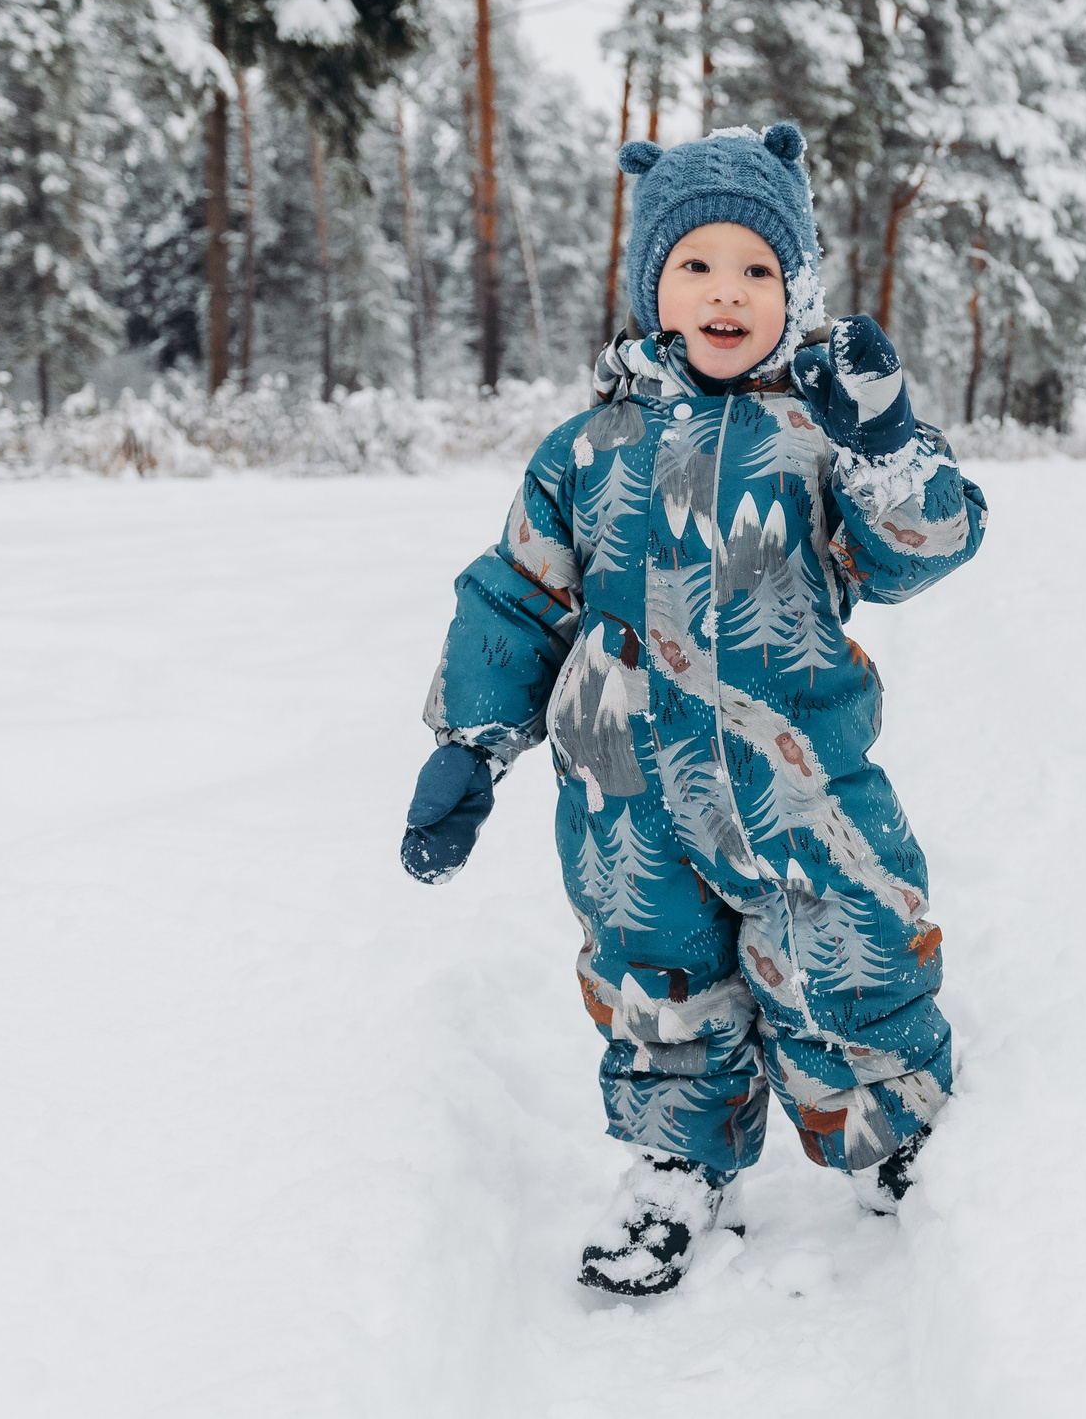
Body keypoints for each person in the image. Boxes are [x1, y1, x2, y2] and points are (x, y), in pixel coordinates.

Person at [398, 122, 987, 1297]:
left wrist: (885, 445)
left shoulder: (819, 436)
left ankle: (892, 1131)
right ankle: (675, 1162)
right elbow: (516, 593)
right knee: (653, 973)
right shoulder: (585, 450)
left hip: (795, 770)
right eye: (696, 266)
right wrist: (472, 739)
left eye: (758, 270)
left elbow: (925, 545)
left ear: (796, 288)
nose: (727, 292)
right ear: (649, 287)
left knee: (843, 937)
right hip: (623, 789)